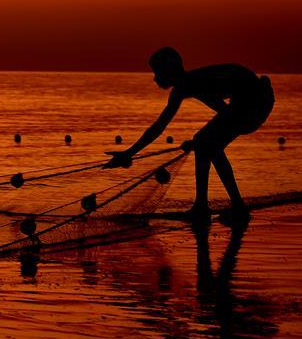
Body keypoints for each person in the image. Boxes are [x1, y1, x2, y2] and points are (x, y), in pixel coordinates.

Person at [105, 47, 274, 224]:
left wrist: (129, 154)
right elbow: (161, 125)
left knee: (205, 142)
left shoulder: (192, 83)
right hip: (251, 100)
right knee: (206, 143)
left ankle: (220, 208)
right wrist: (129, 153)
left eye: (157, 72)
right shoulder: (184, 86)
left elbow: (225, 114)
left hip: (256, 100)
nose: (155, 78)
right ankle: (213, 206)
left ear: (168, 70)